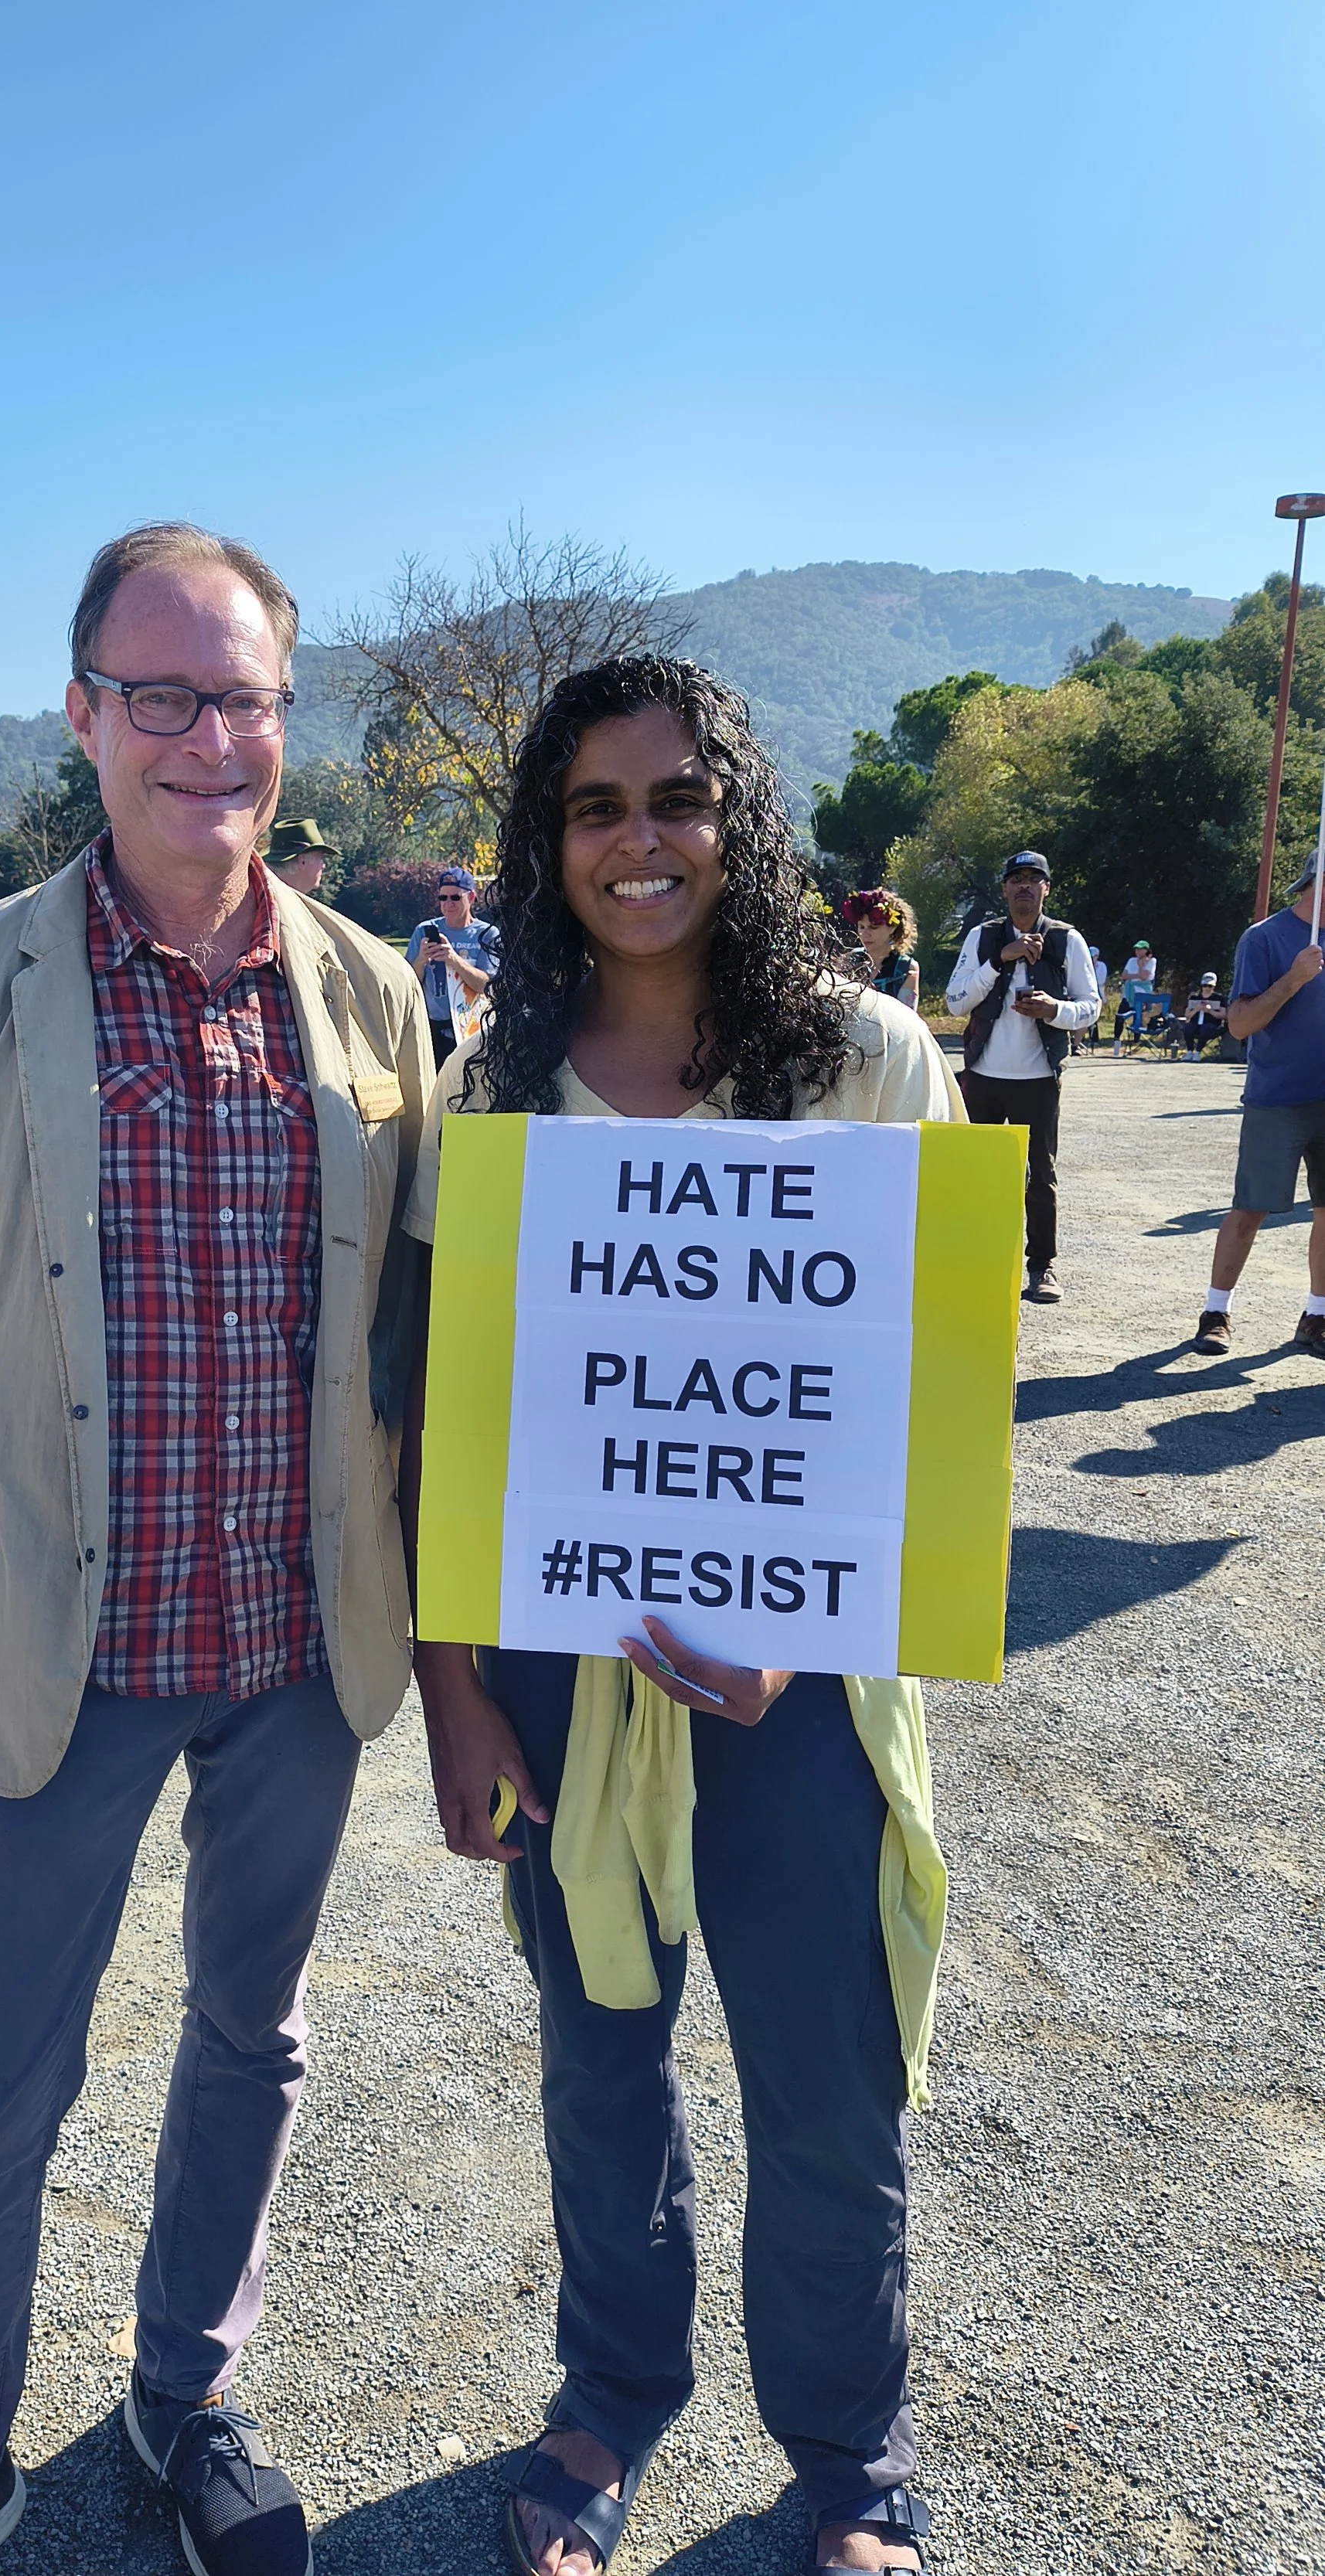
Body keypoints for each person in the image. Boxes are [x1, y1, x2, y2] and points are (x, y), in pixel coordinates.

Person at [0, 524, 432, 2576]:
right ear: (79, 717)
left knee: (254, 2037)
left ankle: (184, 2393)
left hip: (297, 1644)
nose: (203, 737)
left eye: (238, 694)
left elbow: (445, 1338)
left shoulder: (376, 997)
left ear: (280, 717)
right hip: (43, 1659)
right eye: (158, 694)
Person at [404, 656, 960, 2576]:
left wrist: (810, 1609)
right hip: (567, 1684)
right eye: (594, 809)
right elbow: (445, 1436)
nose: (640, 843)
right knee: (599, 2058)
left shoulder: (870, 1061)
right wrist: (458, 1699)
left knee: (825, 2083)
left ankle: (851, 2462)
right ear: (547, 845)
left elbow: (937, 1403)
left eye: (674, 799)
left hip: (795, 1684)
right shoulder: (497, 1093)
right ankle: (614, 2393)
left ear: (738, 816)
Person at [944, 852, 1099, 1303]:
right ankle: (976, 1259)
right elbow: (955, 1001)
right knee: (976, 1174)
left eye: (1035, 880)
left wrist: (1055, 1010)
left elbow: (1092, 1006)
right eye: (1017, 879)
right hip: (983, 1076)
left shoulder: (1067, 940)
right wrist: (1000, 961)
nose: (1026, 887)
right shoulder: (983, 936)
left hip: (1038, 1079)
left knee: (1040, 1177)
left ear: (1047, 889)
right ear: (1006, 889)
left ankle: (1042, 1267)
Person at [1191, 851, 1325, 1356]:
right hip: (1277, 1100)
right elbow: (1241, 1024)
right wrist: (1293, 979)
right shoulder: (1265, 938)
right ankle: (1215, 1311)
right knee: (1250, 1209)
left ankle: (1316, 1316)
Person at [407, 864, 500, 1063]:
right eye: (443, 897)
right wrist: (422, 960)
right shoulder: (424, 930)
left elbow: (487, 986)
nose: (448, 903)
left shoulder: (487, 934)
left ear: (471, 898)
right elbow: (408, 984)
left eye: (455, 897)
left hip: (472, 1030)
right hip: (431, 1027)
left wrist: (454, 959)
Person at [840, 886, 920, 1009]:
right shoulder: (848, 961)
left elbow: (907, 1017)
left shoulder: (905, 969)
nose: (865, 934)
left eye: (873, 927)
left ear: (892, 928)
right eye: (861, 927)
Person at [263, 814, 337, 896]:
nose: (323, 866)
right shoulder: (281, 903)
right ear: (303, 862)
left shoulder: (262, 894)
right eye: (320, 859)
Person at [1112, 941, 1156, 1054]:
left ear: (1146, 950)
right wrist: (1137, 976)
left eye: (1140, 949)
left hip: (1142, 994)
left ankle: (1136, 1039)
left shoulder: (1152, 961)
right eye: (1136, 949)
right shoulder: (1131, 961)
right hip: (1129, 993)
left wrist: (1141, 966)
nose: (1138, 952)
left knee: (1138, 1015)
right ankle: (1116, 1039)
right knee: (1120, 1016)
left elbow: (1145, 976)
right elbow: (1124, 976)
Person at [1177, 973, 1228, 1059]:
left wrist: (1210, 1011)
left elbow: (1223, 1015)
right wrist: (1196, 1009)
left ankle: (1198, 1052)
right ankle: (1189, 1051)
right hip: (1196, 1024)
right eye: (1205, 986)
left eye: (1210, 986)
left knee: (1206, 1028)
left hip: (1211, 1025)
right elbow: (1187, 1015)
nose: (1207, 988)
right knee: (1188, 1027)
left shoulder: (1219, 998)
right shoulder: (1194, 998)